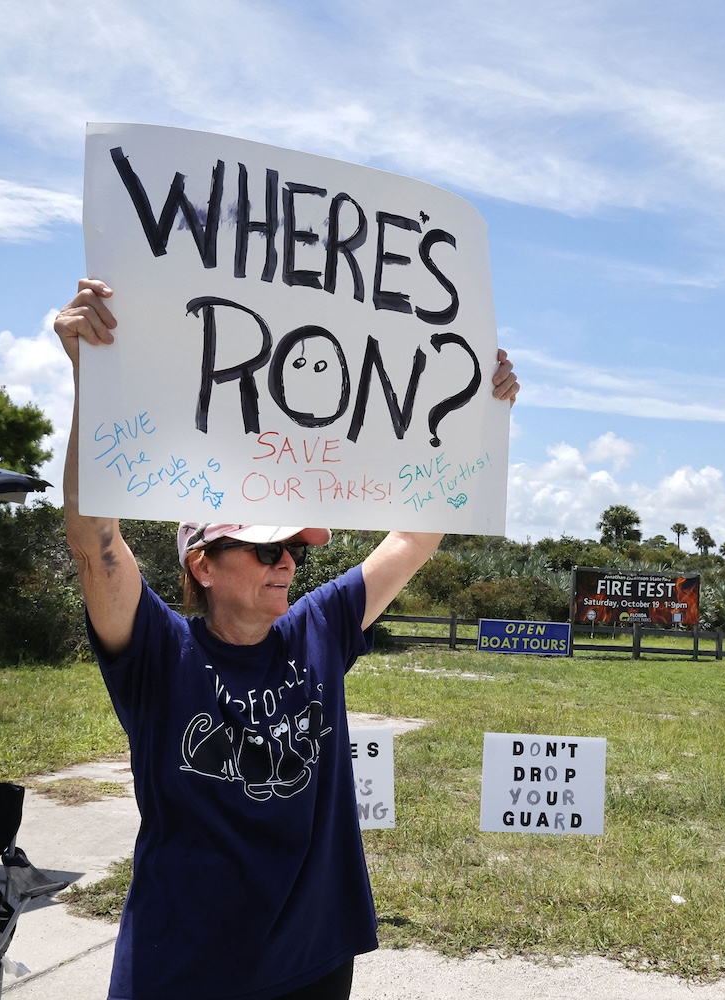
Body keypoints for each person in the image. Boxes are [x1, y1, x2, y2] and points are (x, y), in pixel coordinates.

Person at [54, 278, 518, 1000]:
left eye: (293, 547)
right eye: (267, 550)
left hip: (312, 954)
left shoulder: (319, 628)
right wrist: (92, 374)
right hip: (188, 966)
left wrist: (476, 419)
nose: (290, 563)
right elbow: (95, 540)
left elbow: (416, 532)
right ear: (202, 564)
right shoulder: (158, 653)